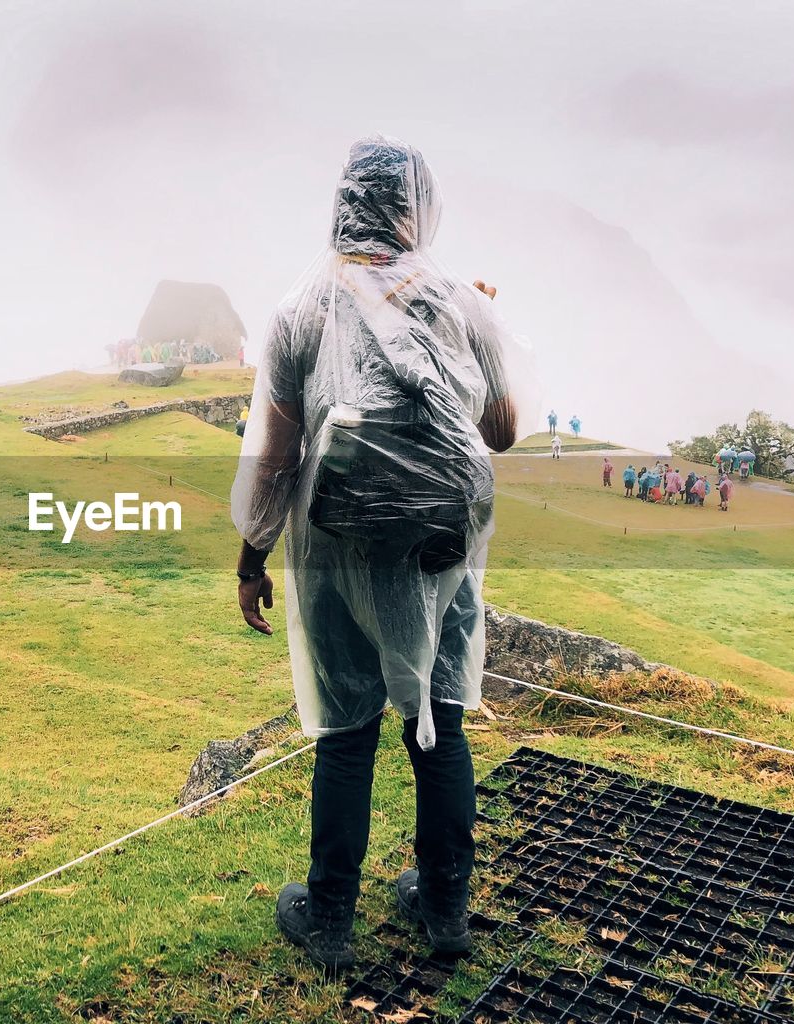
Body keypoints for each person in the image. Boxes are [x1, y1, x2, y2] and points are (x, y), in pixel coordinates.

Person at [232, 137, 526, 969]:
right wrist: (483, 330)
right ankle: (444, 913)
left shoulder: (301, 310)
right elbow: (499, 432)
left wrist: (252, 559)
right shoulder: (459, 304)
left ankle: (330, 920)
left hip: (339, 552)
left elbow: (276, 456)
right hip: (442, 551)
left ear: (344, 204)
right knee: (443, 720)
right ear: (418, 210)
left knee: (347, 728)